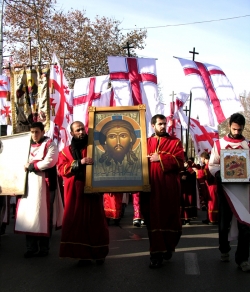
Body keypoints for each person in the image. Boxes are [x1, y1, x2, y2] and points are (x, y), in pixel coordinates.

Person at [57, 121, 109, 265]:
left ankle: (99, 253)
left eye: (82, 129)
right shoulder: (65, 152)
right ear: (72, 133)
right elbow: (62, 169)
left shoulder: (95, 148)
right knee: (77, 223)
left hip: (93, 190)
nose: (81, 132)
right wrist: (80, 162)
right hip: (75, 192)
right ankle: (82, 255)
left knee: (96, 222)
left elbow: (106, 164)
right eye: (77, 130)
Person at [140, 114, 184, 268]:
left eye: (165, 124)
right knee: (153, 220)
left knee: (170, 218)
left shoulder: (175, 142)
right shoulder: (145, 143)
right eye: (160, 124)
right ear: (153, 125)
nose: (163, 126)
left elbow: (180, 162)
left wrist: (161, 158)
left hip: (169, 189)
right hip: (150, 189)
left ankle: (168, 247)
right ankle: (155, 254)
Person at [209, 113, 250, 272]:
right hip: (225, 190)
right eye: (234, 129)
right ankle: (224, 249)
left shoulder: (248, 145)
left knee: (245, 225)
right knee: (224, 224)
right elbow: (212, 164)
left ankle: (242, 259)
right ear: (229, 126)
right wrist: (219, 173)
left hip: (243, 191)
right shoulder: (219, 144)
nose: (237, 132)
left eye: (239, 130)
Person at [15, 122, 61, 258]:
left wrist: (32, 166)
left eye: (37, 132)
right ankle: (30, 248)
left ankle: (44, 248)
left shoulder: (50, 144)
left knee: (44, 216)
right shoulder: (25, 144)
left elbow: (50, 161)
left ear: (42, 131)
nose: (34, 135)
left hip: (45, 186)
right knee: (29, 216)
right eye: (32, 132)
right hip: (28, 186)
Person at [200, 151, 218, 225]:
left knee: (212, 203)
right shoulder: (207, 165)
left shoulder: (209, 165)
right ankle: (209, 218)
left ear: (204, 158)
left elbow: (207, 175)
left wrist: (198, 172)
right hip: (209, 185)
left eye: (201, 158)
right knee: (209, 202)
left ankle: (213, 219)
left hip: (212, 185)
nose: (201, 159)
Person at [180, 155, 197, 225]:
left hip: (188, 186)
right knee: (181, 202)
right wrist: (180, 177)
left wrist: (187, 167)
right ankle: (181, 219)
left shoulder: (190, 164)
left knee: (188, 201)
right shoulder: (177, 164)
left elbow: (194, 173)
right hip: (180, 186)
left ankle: (187, 219)